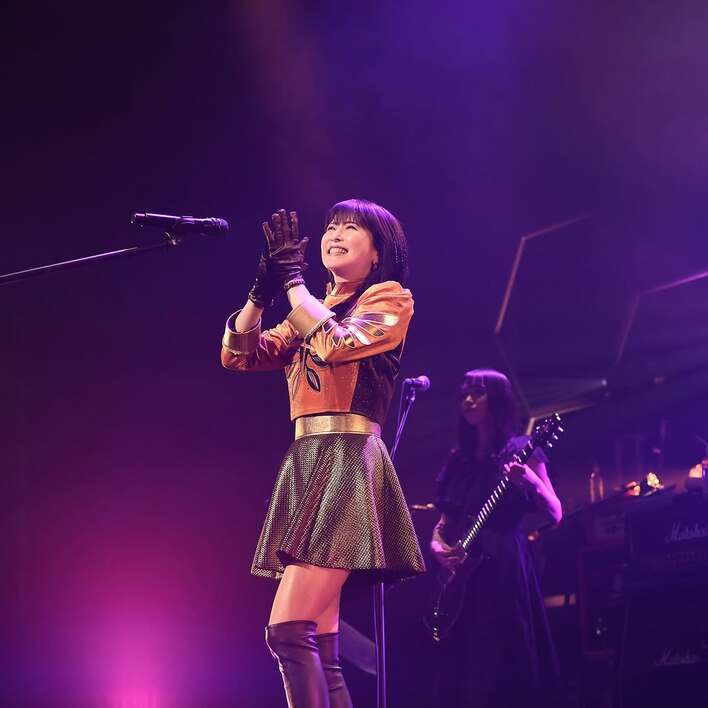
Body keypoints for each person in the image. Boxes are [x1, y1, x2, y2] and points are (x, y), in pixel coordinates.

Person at [221, 200, 425, 707]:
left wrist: (293, 283)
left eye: (351, 228)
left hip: (348, 458)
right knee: (319, 644)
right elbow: (238, 356)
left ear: (377, 252)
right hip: (308, 459)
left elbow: (336, 344)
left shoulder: (389, 297)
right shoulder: (310, 308)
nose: (335, 234)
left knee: (288, 631)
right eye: (331, 226)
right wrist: (260, 295)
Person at [430, 369, 564, 707]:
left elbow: (555, 511)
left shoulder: (522, 449)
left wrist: (529, 480)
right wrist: (437, 546)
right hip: (465, 573)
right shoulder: (459, 459)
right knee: (467, 663)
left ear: (498, 400)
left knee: (506, 658)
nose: (468, 400)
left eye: (478, 393)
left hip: (505, 564)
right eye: (464, 394)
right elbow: (444, 522)